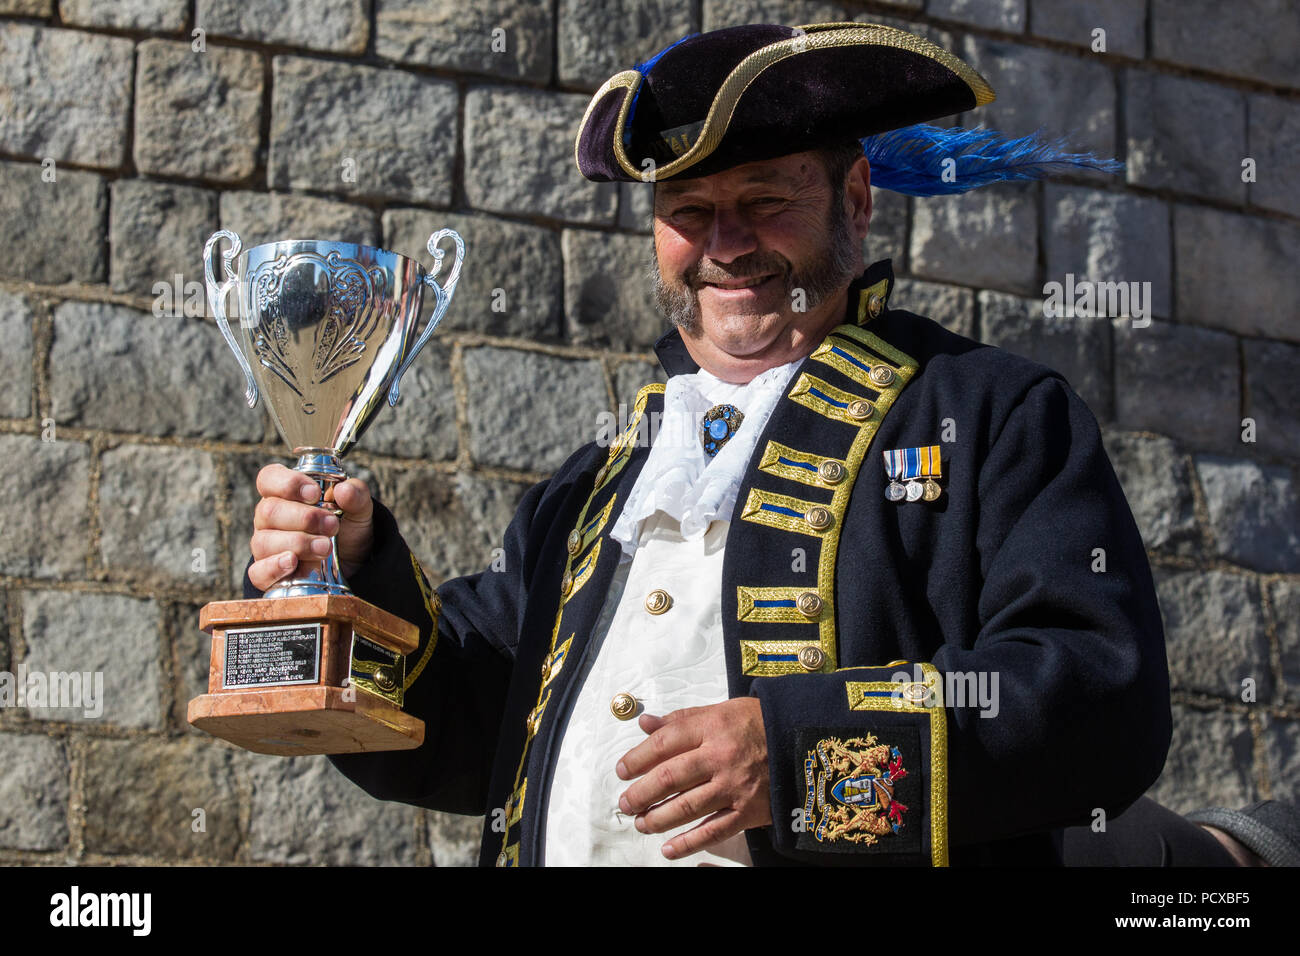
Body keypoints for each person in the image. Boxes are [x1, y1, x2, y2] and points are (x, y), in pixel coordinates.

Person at [243, 22, 1293, 867]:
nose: (725, 245)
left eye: (763, 201)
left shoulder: (989, 415)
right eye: (688, 210)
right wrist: (352, 561)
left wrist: (793, 754)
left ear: (854, 200)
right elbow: (467, 727)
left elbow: (1093, 694)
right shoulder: (592, 482)